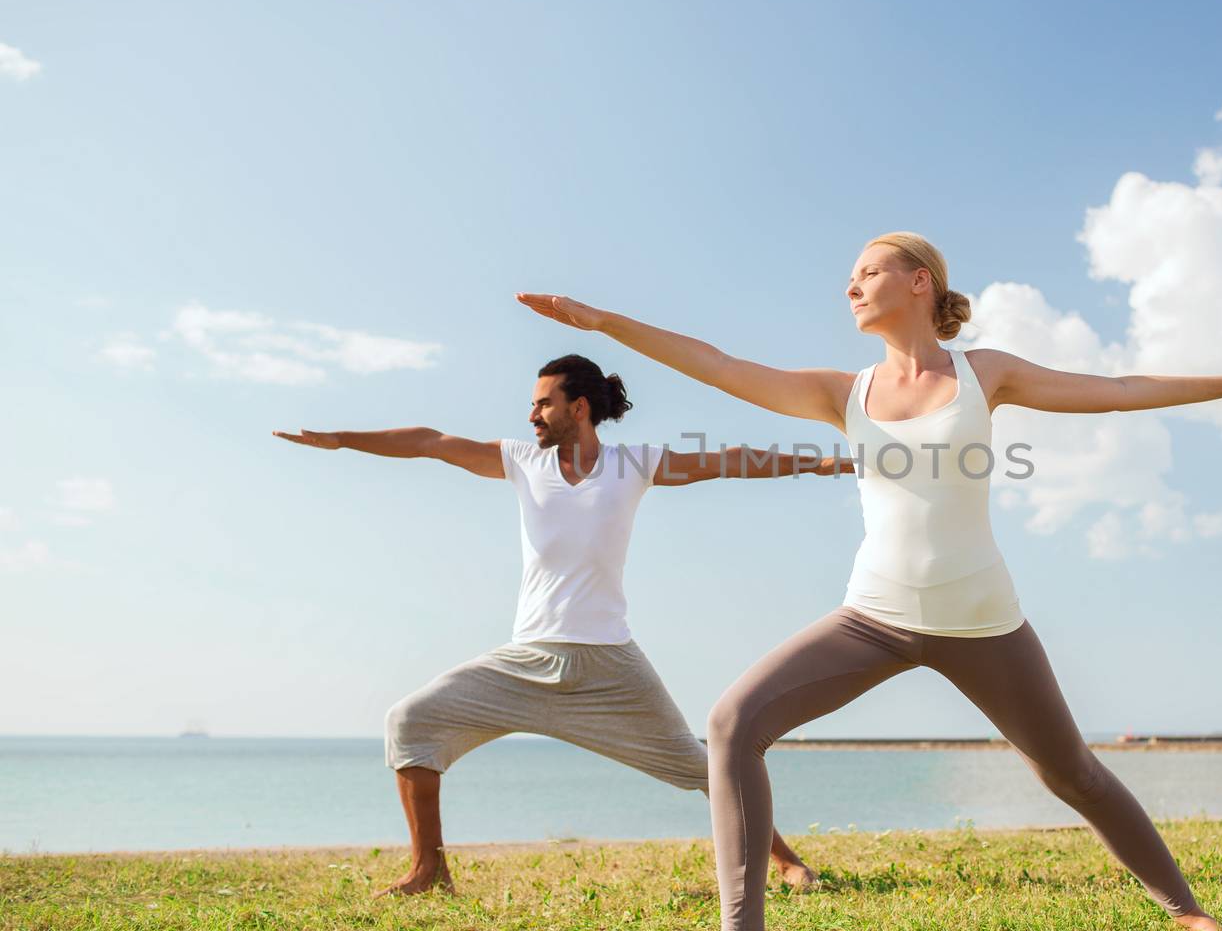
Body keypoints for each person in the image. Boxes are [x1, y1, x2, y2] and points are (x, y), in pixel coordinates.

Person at [518, 232, 1222, 931]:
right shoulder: (842, 392)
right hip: (875, 616)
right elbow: (717, 363)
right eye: (849, 277)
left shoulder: (983, 373)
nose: (851, 285)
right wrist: (604, 322)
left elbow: (1118, 386)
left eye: (867, 271)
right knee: (732, 722)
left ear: (919, 281)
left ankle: (1184, 906)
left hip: (982, 619)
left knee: (1072, 774)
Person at [275, 353, 848, 896]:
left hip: (610, 666)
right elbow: (431, 442)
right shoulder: (523, 461)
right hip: (525, 662)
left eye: (543, 403)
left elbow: (723, 462)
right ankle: (429, 870)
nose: (531, 415)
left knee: (704, 766)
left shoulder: (633, 465)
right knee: (411, 723)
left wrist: (816, 462)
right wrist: (343, 440)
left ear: (579, 408)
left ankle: (787, 860)